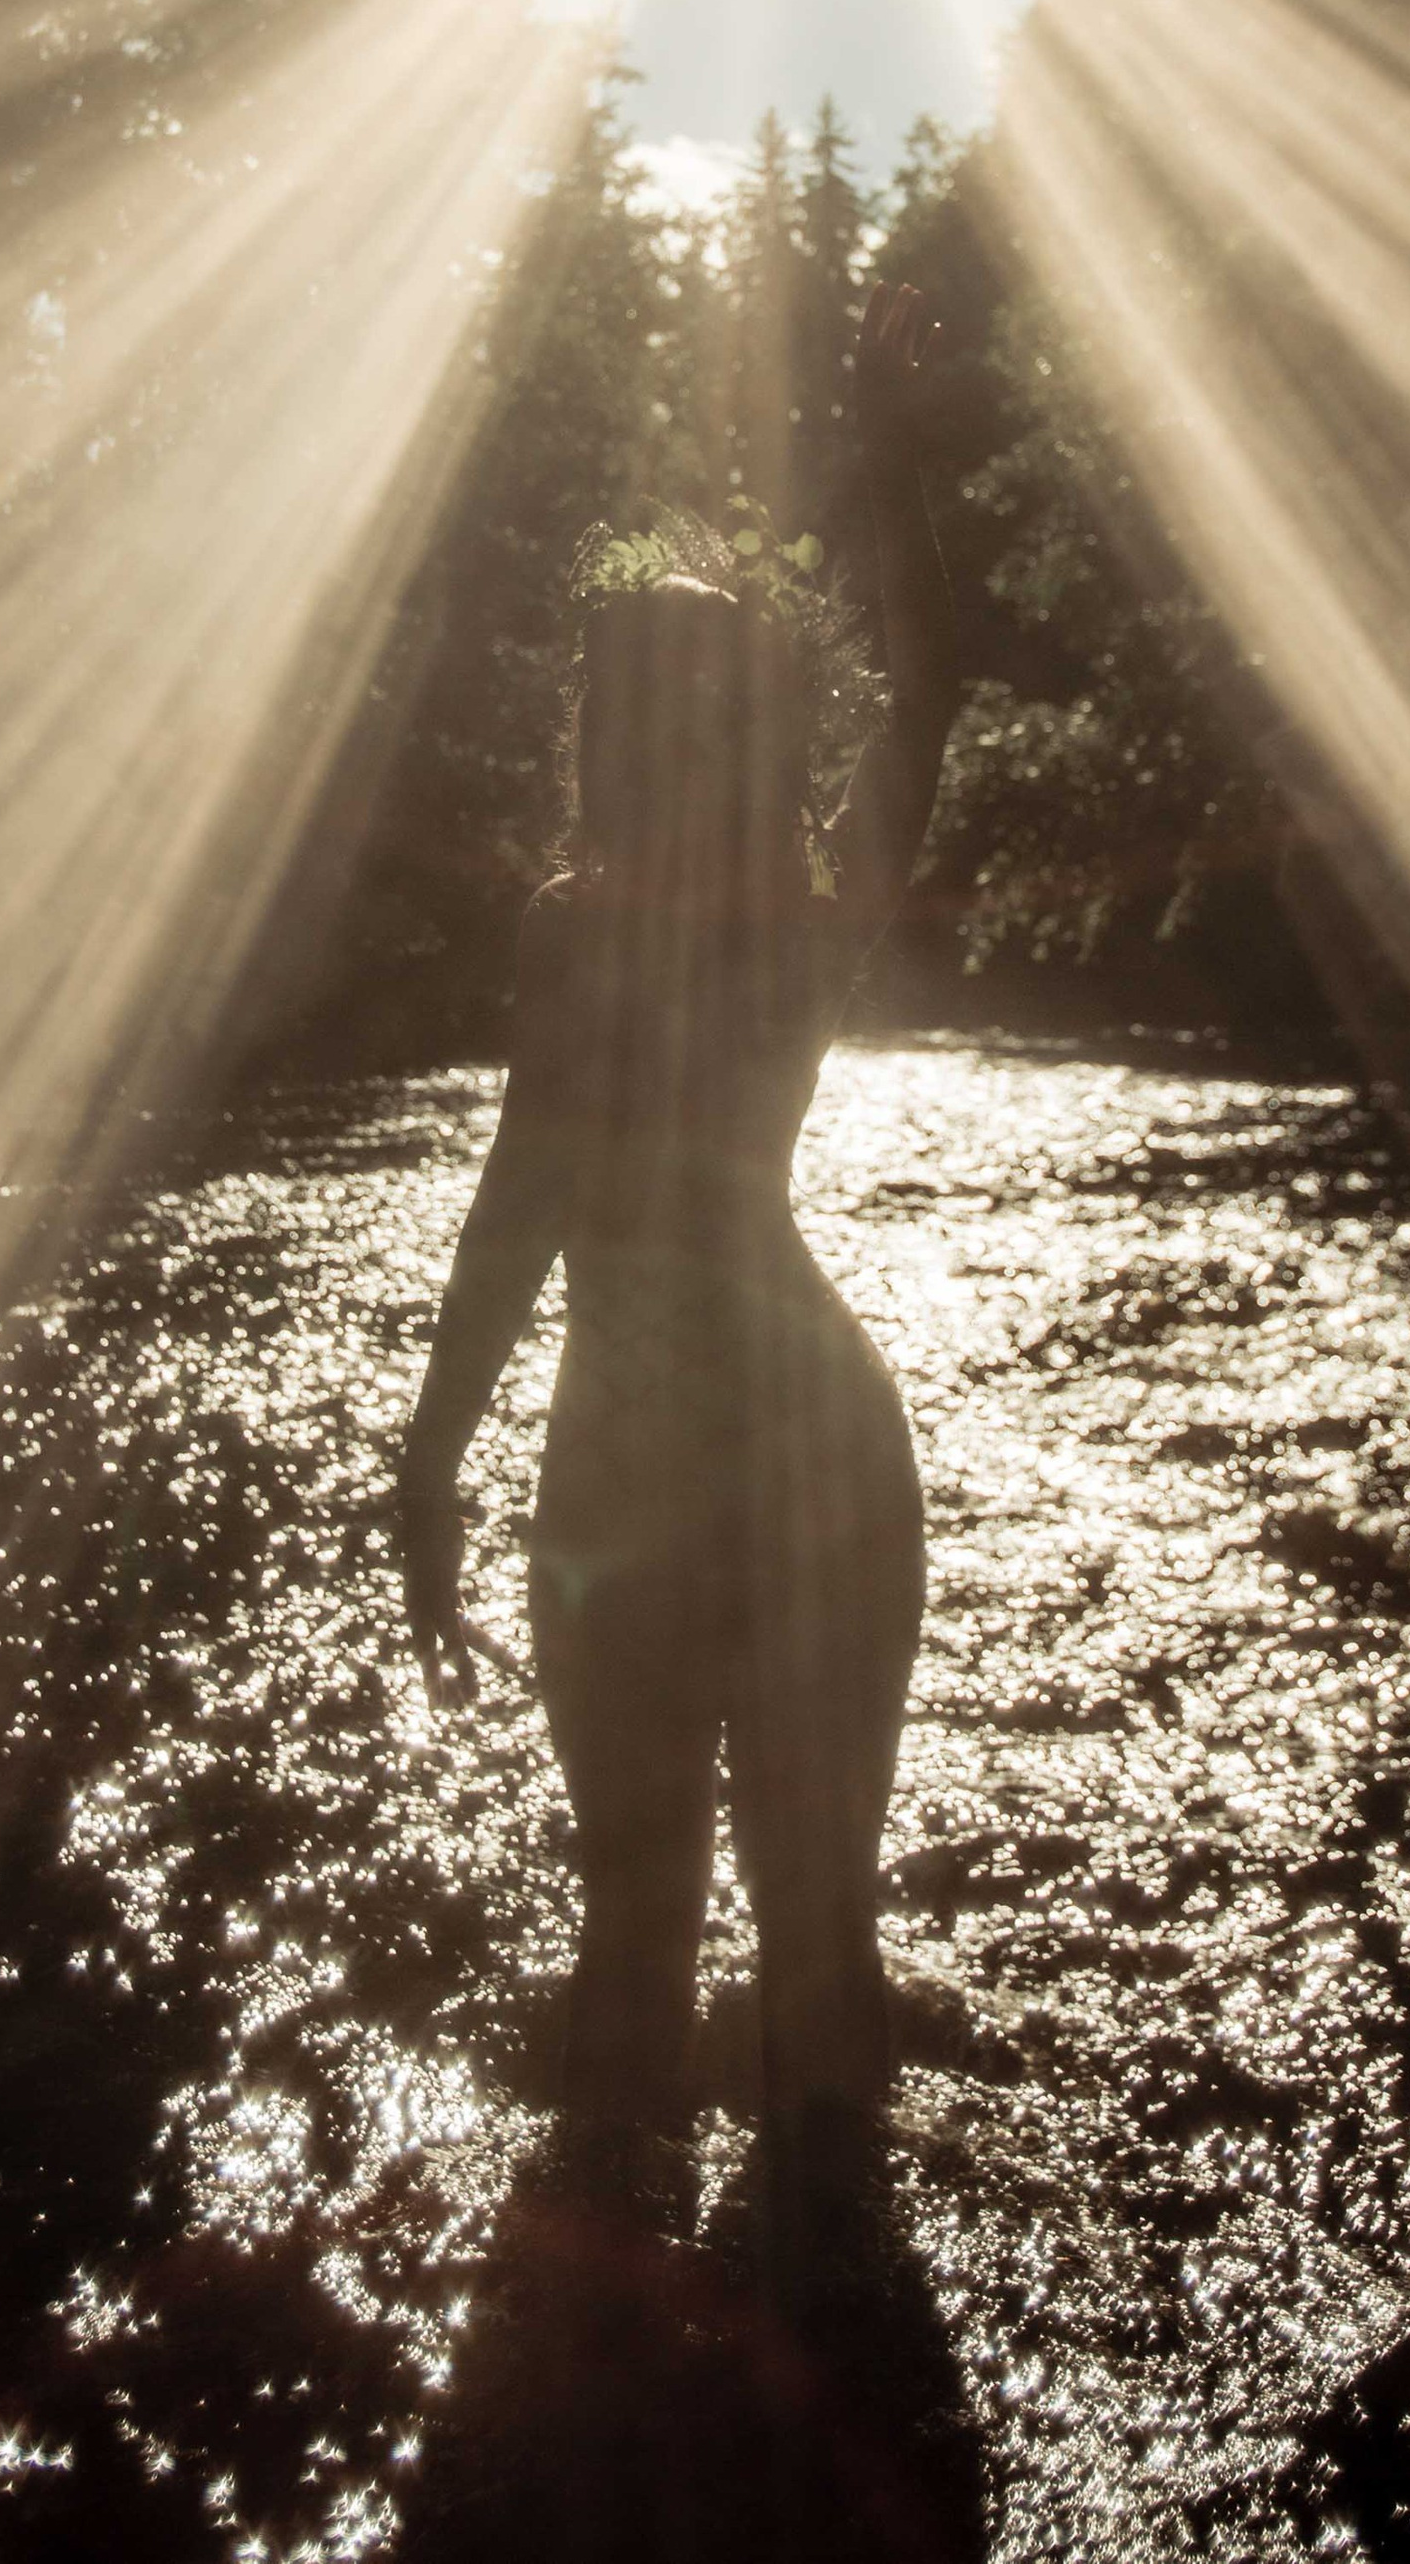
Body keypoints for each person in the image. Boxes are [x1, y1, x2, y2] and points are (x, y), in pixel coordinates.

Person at [395, 283, 959, 2218]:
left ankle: (591, 2414)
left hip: (632, 1461)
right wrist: (898, 486)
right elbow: (927, 726)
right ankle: (830, 2389)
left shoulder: (579, 932)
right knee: (814, 1945)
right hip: (816, 1450)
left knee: (635, 1934)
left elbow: (520, 1200)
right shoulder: (800, 931)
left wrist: (428, 1454)